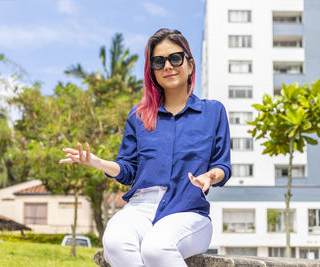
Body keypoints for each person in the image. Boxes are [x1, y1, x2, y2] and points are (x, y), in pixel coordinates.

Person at [59, 28, 231, 267]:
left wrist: (211, 176)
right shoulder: (139, 115)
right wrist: (97, 163)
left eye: (175, 58)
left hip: (188, 210)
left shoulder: (213, 112)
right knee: (115, 241)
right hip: (141, 207)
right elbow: (128, 169)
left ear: (190, 64)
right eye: (159, 62)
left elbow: (222, 165)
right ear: (153, 72)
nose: (168, 66)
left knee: (156, 248)